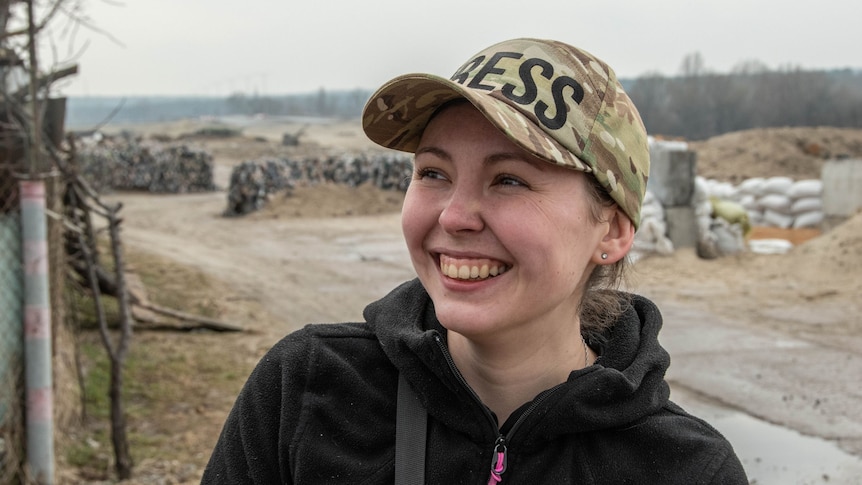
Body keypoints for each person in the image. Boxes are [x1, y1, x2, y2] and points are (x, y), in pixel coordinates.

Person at [202, 38, 748, 484]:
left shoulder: (688, 470)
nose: (456, 215)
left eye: (508, 180)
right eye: (433, 173)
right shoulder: (308, 389)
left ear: (612, 230)